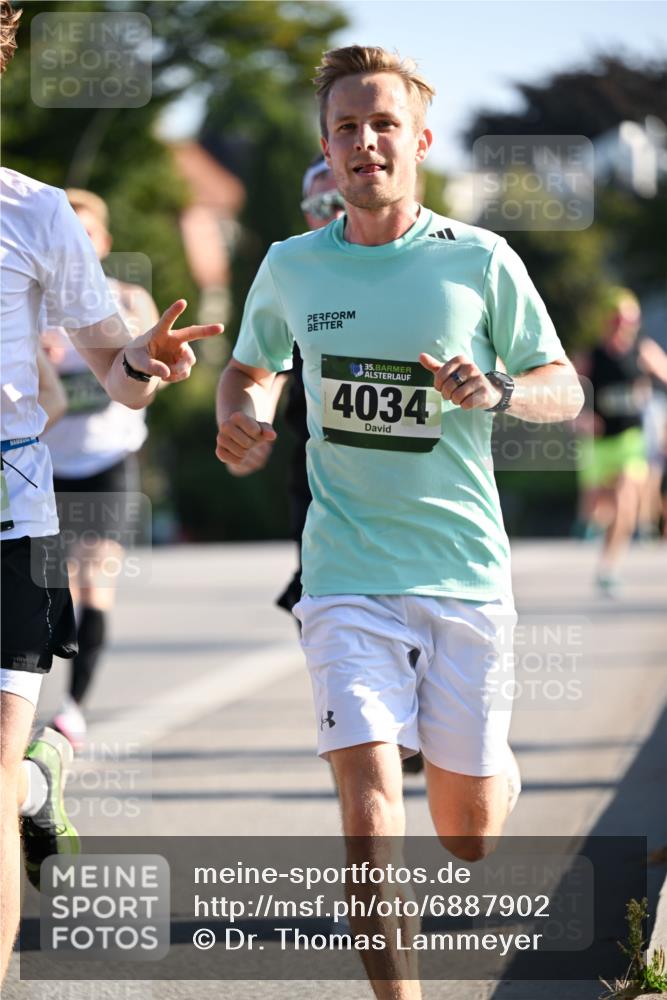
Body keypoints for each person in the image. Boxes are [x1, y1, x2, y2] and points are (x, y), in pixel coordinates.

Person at [215, 44, 583, 997]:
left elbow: (562, 387)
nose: (364, 141)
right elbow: (251, 367)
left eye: (383, 125)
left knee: (465, 836)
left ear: (418, 141)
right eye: (345, 127)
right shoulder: (290, 265)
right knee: (370, 808)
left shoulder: (480, 260)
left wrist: (497, 389)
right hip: (343, 575)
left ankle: (485, 764)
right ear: (326, 151)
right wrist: (243, 420)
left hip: (462, 572)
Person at [0, 1, 223, 980]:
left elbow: (116, 368)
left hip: (15, 510)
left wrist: (143, 359)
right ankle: (36, 783)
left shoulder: (35, 210)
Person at [41, 188, 161, 749]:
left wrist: (147, 359)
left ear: (104, 242)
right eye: (69, 232)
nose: (79, 244)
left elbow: (152, 385)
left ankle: (73, 709)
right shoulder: (28, 305)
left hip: (109, 463)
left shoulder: (131, 299)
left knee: (95, 583)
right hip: (45, 467)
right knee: (47, 589)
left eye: (89, 233)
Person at [576, 287, 667, 594]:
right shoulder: (590, 356)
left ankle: (608, 568)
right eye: (617, 319)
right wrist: (582, 417)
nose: (622, 325)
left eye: (629, 320)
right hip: (599, 444)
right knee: (599, 506)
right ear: (607, 320)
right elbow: (567, 394)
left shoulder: (642, 350)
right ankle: (592, 522)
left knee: (626, 503)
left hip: (630, 440)